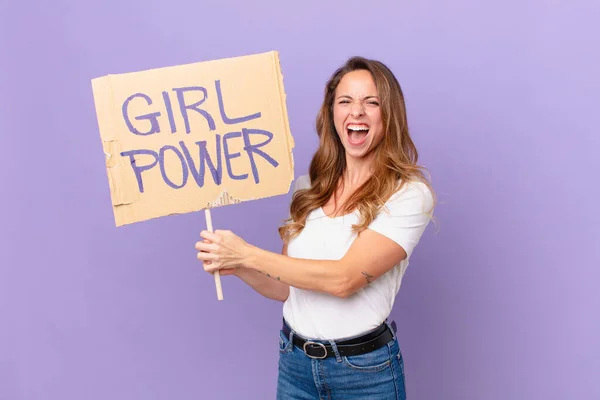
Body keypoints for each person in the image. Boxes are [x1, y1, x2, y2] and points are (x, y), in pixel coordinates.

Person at [195, 56, 435, 400]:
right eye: (346, 101)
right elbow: (285, 288)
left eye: (372, 102)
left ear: (389, 115)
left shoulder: (409, 194)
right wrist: (237, 265)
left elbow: (344, 280)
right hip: (294, 365)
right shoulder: (308, 188)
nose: (357, 112)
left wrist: (248, 253)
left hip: (363, 375)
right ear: (332, 114)